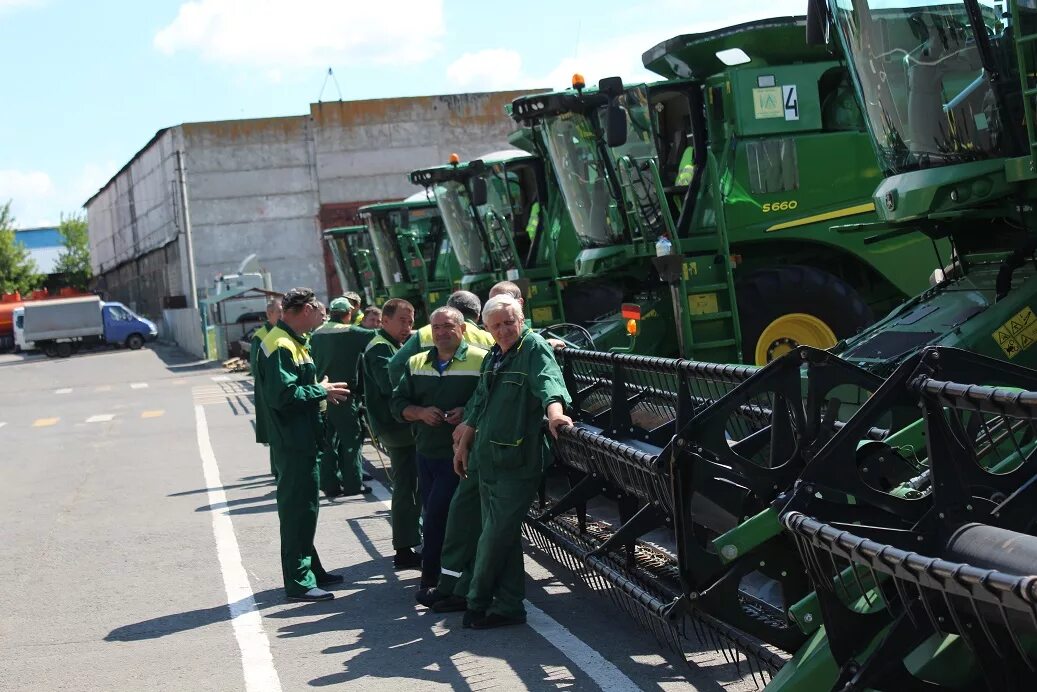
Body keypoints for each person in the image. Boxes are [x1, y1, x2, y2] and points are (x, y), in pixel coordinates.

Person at [453, 294, 572, 628]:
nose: (504, 330)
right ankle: (507, 606)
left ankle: (475, 600)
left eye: (509, 322)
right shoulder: (496, 354)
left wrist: (556, 416)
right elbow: (479, 403)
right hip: (487, 459)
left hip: (517, 461)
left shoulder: (533, 348)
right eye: (497, 326)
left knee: (493, 535)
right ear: (486, 328)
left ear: (522, 320)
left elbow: (549, 383)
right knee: (501, 535)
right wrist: (463, 444)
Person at [260, 288, 351, 602]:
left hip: (302, 438)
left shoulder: (294, 341)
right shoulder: (280, 344)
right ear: (306, 309)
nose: (323, 313)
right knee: (298, 510)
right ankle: (299, 581)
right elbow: (283, 396)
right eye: (318, 308)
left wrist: (318, 390)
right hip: (293, 440)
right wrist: (320, 391)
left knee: (305, 509)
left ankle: (310, 569)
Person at [392, 307, 488, 594]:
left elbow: (489, 400)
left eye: (448, 327)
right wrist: (420, 412)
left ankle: (433, 580)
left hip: (463, 455)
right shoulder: (416, 362)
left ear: (462, 329)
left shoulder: (481, 360)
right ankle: (448, 579)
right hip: (427, 453)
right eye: (436, 328)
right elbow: (397, 404)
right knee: (435, 515)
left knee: (440, 517)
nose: (441, 333)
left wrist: (467, 413)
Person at [362, 298, 422, 570]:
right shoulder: (380, 348)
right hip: (397, 428)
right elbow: (392, 385)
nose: (407, 327)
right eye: (402, 321)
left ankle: (411, 542)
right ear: (384, 320)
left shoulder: (392, 344)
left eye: (411, 321)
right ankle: (405, 548)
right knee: (406, 488)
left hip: (402, 425)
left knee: (412, 485)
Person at [309, 296, 376, 498]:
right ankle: (353, 484)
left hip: (322, 394)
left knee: (328, 442)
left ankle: (329, 485)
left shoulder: (316, 333)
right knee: (351, 440)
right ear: (348, 314)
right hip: (346, 395)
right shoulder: (351, 332)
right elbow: (379, 337)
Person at [387, 291, 494, 385]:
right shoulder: (490, 338)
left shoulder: (425, 333)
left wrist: (406, 399)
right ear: (478, 316)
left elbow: (396, 365)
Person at [251, 298, 282, 480]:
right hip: (267, 389)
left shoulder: (283, 332)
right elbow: (256, 368)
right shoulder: (261, 336)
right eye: (279, 311)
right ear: (269, 314)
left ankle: (279, 468)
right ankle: (277, 469)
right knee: (273, 428)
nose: (282, 314)